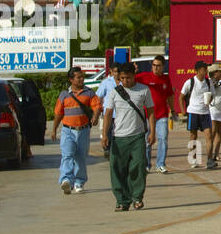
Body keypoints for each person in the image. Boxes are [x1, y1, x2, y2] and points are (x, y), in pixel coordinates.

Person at [100, 61, 155, 211]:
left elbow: (150, 111)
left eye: (128, 78)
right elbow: (108, 114)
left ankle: (137, 198)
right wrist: (104, 135)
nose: (125, 81)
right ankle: (122, 200)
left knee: (138, 167)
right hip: (118, 137)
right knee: (117, 169)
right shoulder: (114, 92)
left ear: (134, 76)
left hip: (137, 136)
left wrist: (152, 132)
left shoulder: (144, 90)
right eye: (122, 78)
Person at [53, 66, 100, 194]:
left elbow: (97, 106)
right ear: (71, 80)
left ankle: (79, 182)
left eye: (82, 77)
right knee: (67, 155)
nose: (81, 79)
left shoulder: (89, 93)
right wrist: (54, 129)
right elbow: (58, 113)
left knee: (80, 157)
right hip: (67, 131)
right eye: (78, 77)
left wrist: (95, 117)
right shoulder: (64, 95)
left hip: (83, 130)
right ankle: (66, 180)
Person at [135, 55, 174, 173]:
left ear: (163, 66)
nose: (156, 68)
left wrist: (173, 110)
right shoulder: (143, 77)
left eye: (158, 66)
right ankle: (147, 165)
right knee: (147, 140)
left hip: (162, 115)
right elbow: (129, 80)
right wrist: (133, 71)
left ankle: (160, 164)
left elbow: (170, 95)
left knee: (163, 138)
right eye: (154, 65)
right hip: (146, 115)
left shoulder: (166, 79)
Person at [180, 60, 213, 168]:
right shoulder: (190, 82)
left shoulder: (209, 82)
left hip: (205, 112)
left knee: (209, 135)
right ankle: (193, 159)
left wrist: (209, 99)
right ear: (198, 71)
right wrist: (183, 111)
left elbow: (212, 95)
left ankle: (209, 160)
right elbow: (181, 97)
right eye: (204, 70)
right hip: (193, 112)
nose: (206, 72)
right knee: (193, 136)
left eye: (206, 70)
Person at [206, 64, 221, 164]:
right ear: (215, 73)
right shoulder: (209, 82)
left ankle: (216, 154)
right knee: (213, 132)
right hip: (213, 109)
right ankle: (210, 155)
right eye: (219, 71)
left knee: (219, 132)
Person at [95, 63, 119, 153]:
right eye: (115, 72)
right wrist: (97, 113)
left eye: (118, 72)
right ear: (111, 71)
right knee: (108, 134)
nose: (117, 74)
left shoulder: (124, 82)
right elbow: (98, 97)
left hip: (121, 115)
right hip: (109, 114)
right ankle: (107, 150)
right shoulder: (106, 82)